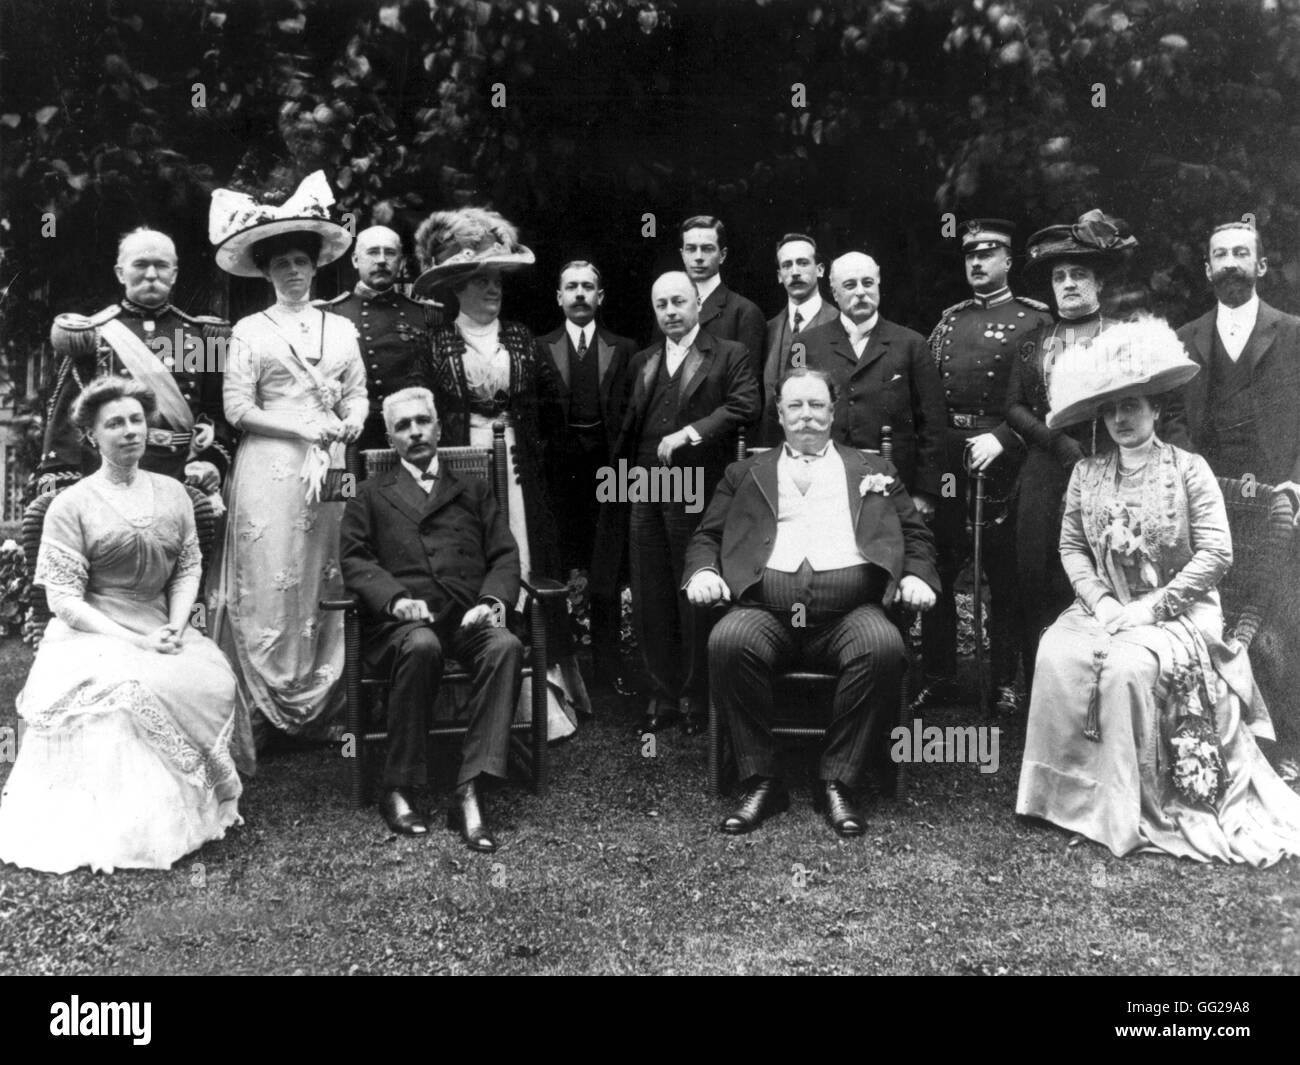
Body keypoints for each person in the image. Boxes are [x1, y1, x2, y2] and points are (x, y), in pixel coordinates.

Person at [1017, 317, 1300, 865]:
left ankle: (1124, 806)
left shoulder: (1191, 470)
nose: (1122, 419)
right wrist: (1100, 601)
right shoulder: (1087, 474)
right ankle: (1060, 798)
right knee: (1055, 651)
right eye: (1112, 409)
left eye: (1133, 406)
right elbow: (1072, 547)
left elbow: (1217, 553)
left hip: (1182, 611)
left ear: (1155, 411)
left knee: (1127, 668)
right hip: (1102, 606)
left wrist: (1150, 609)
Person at [0, 377, 242, 873]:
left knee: (211, 675)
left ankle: (190, 808)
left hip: (157, 621)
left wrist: (175, 626)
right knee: (130, 683)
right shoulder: (71, 505)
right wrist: (136, 641)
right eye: (115, 424)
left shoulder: (175, 493)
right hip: (92, 631)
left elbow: (188, 567)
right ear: (91, 436)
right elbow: (65, 601)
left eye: (136, 420)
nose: (130, 431)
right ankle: (126, 827)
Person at [684, 368, 938, 837]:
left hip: (849, 614)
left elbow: (917, 535)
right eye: (795, 406)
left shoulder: (875, 471)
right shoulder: (743, 473)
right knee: (728, 640)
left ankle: (838, 778)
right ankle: (761, 779)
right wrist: (703, 571)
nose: (806, 415)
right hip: (766, 612)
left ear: (833, 412)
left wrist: (918, 576)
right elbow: (707, 535)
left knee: (883, 646)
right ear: (779, 414)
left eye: (816, 405)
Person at [206, 170, 367, 770]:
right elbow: (236, 409)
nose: (293, 273)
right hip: (271, 465)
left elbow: (359, 393)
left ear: (315, 266)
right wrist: (302, 427)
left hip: (334, 467)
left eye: (301, 262)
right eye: (282, 266)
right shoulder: (250, 330)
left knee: (329, 572)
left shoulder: (342, 328)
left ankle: (325, 708)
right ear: (268, 273)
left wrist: (350, 420)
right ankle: (264, 709)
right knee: (271, 575)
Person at [409, 207, 584, 735]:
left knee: (524, 555)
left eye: (497, 280)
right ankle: (471, 688)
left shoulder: (521, 338)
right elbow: (421, 412)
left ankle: (538, 696)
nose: (493, 290)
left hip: (519, 470)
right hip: (462, 467)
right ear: (458, 286)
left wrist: (531, 443)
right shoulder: (436, 343)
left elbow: (554, 403)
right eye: (481, 280)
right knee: (470, 556)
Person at [340, 388, 523, 851]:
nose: (416, 432)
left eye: (423, 422)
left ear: (440, 428)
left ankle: (470, 786)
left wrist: (491, 602)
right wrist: (395, 599)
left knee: (504, 645)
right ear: (390, 437)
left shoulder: (473, 489)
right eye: (403, 426)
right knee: (422, 645)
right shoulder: (368, 495)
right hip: (403, 625)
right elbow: (356, 560)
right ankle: (398, 785)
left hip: (466, 617)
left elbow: (504, 555)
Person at [916, 220, 1053, 714]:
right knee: (939, 563)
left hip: (1007, 458)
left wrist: (1003, 438)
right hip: (952, 459)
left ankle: (1003, 682)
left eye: (988, 253)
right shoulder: (949, 322)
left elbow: (1048, 399)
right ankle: (940, 675)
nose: (977, 262)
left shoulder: (1035, 321)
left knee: (1005, 571)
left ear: (1008, 261)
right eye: (970, 254)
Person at [617, 271, 760, 735]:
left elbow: (745, 404)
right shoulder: (643, 359)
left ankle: (697, 693)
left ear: (698, 303)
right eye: (662, 304)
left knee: (693, 587)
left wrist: (691, 432)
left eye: (679, 301)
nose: (670, 311)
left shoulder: (729, 354)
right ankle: (662, 692)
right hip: (643, 484)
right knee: (649, 589)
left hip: (698, 484)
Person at [1006, 209, 1136, 689]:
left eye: (1079, 274)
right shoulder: (1033, 342)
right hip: (1046, 469)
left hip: (1112, 468)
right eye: (1059, 276)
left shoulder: (1123, 335)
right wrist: (1058, 443)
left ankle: (1102, 689)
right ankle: (1042, 687)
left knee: (1111, 567)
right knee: (1036, 572)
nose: (1068, 284)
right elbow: (1014, 409)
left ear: (1098, 283)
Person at [35, 227, 235, 499]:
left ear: (174, 274)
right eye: (140, 264)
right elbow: (68, 417)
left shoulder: (204, 337)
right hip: (106, 477)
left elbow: (219, 412)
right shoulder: (93, 335)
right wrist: (62, 488)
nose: (151, 274)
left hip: (182, 476)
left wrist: (212, 460)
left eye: (161, 266)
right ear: (120, 272)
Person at [535, 260, 638, 693]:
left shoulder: (625, 348)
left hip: (610, 475)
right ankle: (562, 672)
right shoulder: (539, 347)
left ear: (601, 296)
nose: (580, 294)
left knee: (607, 573)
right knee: (555, 570)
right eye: (571, 287)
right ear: (558, 297)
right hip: (558, 478)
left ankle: (609, 668)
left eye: (588, 287)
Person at [792, 251, 947, 519]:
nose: (861, 292)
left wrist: (925, 493)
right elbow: (791, 414)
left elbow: (933, 423)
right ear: (834, 292)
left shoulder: (910, 344)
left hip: (896, 488)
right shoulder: (807, 345)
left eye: (868, 283)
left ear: (878, 285)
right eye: (850, 285)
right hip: (824, 485)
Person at [1162, 222, 1300, 500]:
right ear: (1208, 269)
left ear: (1261, 266)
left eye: (1240, 253)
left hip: (1282, 491)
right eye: (1220, 255)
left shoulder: (1293, 333)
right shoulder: (1185, 338)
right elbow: (1172, 417)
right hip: (1208, 491)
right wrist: (1192, 477)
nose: (1229, 264)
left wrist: (1298, 482)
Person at [316, 225, 444, 452]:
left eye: (390, 253)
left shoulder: (425, 314)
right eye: (373, 252)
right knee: (353, 487)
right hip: (355, 436)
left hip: (413, 436)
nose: (382, 260)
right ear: (355, 260)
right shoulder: (330, 313)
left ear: (402, 263)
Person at [754, 233, 839, 445]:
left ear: (819, 269)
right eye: (787, 265)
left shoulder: (839, 323)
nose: (795, 272)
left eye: (802, 263)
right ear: (779, 276)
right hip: (773, 446)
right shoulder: (767, 329)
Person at [675, 214, 766, 385]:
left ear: (722, 255)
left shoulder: (744, 312)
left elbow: (746, 391)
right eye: (691, 249)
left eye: (707, 248)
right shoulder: (669, 308)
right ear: (682, 254)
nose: (698, 256)